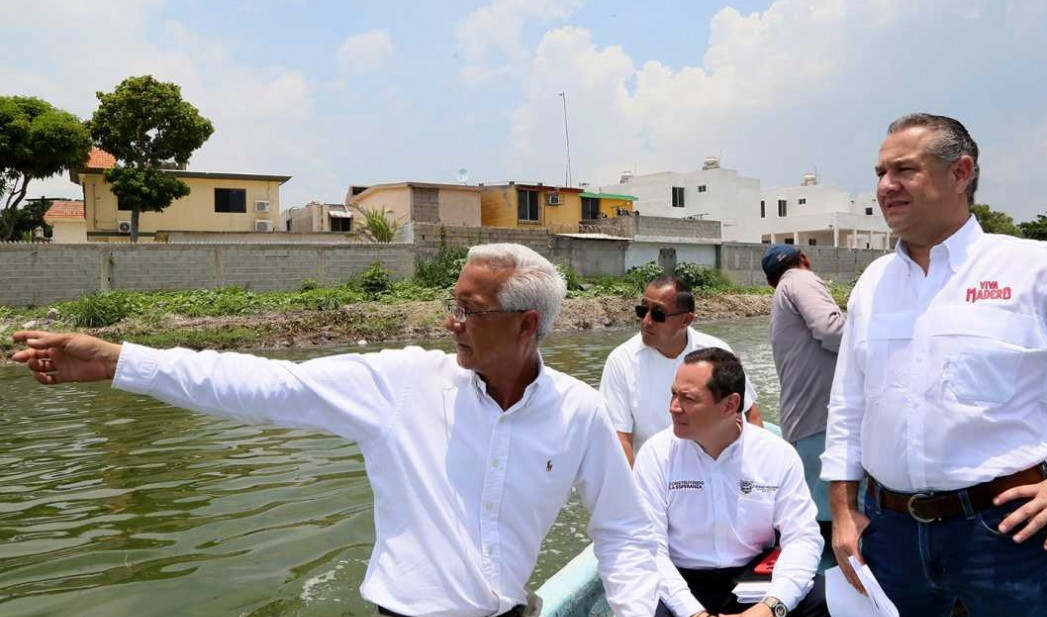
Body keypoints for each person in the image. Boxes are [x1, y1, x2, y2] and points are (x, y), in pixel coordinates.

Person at [11, 243, 659, 617]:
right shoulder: (403, 383)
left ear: (526, 325)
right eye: (453, 304)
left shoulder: (579, 412)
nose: (451, 321)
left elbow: (624, 531)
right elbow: (264, 383)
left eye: (470, 310)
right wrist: (118, 359)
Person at [821, 113, 1047, 617]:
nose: (886, 186)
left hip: (1007, 532)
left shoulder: (1037, 269)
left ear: (960, 172)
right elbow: (848, 404)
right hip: (890, 531)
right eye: (881, 173)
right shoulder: (873, 283)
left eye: (905, 170)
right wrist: (843, 511)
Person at [633, 348, 828, 617]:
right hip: (678, 578)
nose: (674, 407)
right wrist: (693, 613)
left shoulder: (777, 455)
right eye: (673, 394)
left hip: (754, 577)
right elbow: (648, 547)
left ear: (729, 405)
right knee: (639, 607)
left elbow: (802, 537)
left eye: (688, 398)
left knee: (825, 599)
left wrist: (771, 607)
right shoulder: (656, 454)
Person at [601, 275, 762, 465]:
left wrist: (755, 469)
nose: (646, 321)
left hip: (718, 465)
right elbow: (620, 439)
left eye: (658, 314)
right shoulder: (621, 361)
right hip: (656, 471)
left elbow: (750, 415)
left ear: (686, 320)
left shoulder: (716, 352)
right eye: (642, 310)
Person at [762, 245, 845, 543]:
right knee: (836, 519)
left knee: (812, 519)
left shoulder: (781, 295)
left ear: (769, 281)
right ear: (805, 260)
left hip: (802, 422)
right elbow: (832, 330)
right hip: (821, 424)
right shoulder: (800, 279)